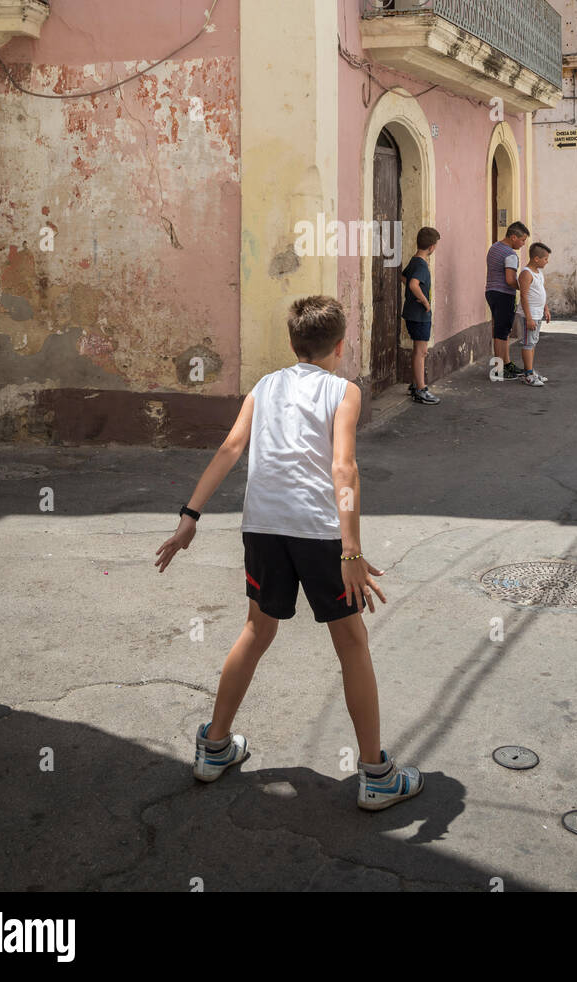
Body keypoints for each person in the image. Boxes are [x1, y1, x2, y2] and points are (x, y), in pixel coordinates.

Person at [154, 296, 423, 812]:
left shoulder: (264, 386)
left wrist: (190, 515)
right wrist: (351, 551)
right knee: (352, 642)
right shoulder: (344, 391)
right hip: (319, 532)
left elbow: (231, 449)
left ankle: (214, 747)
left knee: (257, 630)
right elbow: (343, 468)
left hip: (263, 527)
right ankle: (377, 774)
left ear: (293, 343)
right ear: (340, 346)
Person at [401, 227, 441, 404]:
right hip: (419, 315)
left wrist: (413, 296)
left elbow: (404, 278)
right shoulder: (422, 265)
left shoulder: (414, 261)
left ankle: (415, 383)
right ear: (432, 247)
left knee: (418, 350)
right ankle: (421, 389)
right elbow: (413, 284)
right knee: (421, 351)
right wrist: (424, 301)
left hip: (412, 313)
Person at [486, 221, 530, 379]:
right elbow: (510, 279)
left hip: (491, 291)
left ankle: (507, 363)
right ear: (513, 237)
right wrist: (524, 288)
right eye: (522, 240)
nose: (524, 244)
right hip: (504, 294)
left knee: (503, 331)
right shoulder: (510, 254)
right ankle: (498, 370)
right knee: (501, 332)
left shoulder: (494, 248)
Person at [515, 242, 552, 385]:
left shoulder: (538, 273)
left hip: (538, 314)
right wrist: (528, 318)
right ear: (536, 258)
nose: (547, 261)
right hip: (529, 316)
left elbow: (541, 292)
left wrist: (546, 309)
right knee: (528, 343)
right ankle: (528, 375)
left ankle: (530, 370)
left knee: (533, 342)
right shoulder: (526, 273)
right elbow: (523, 296)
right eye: (545, 259)